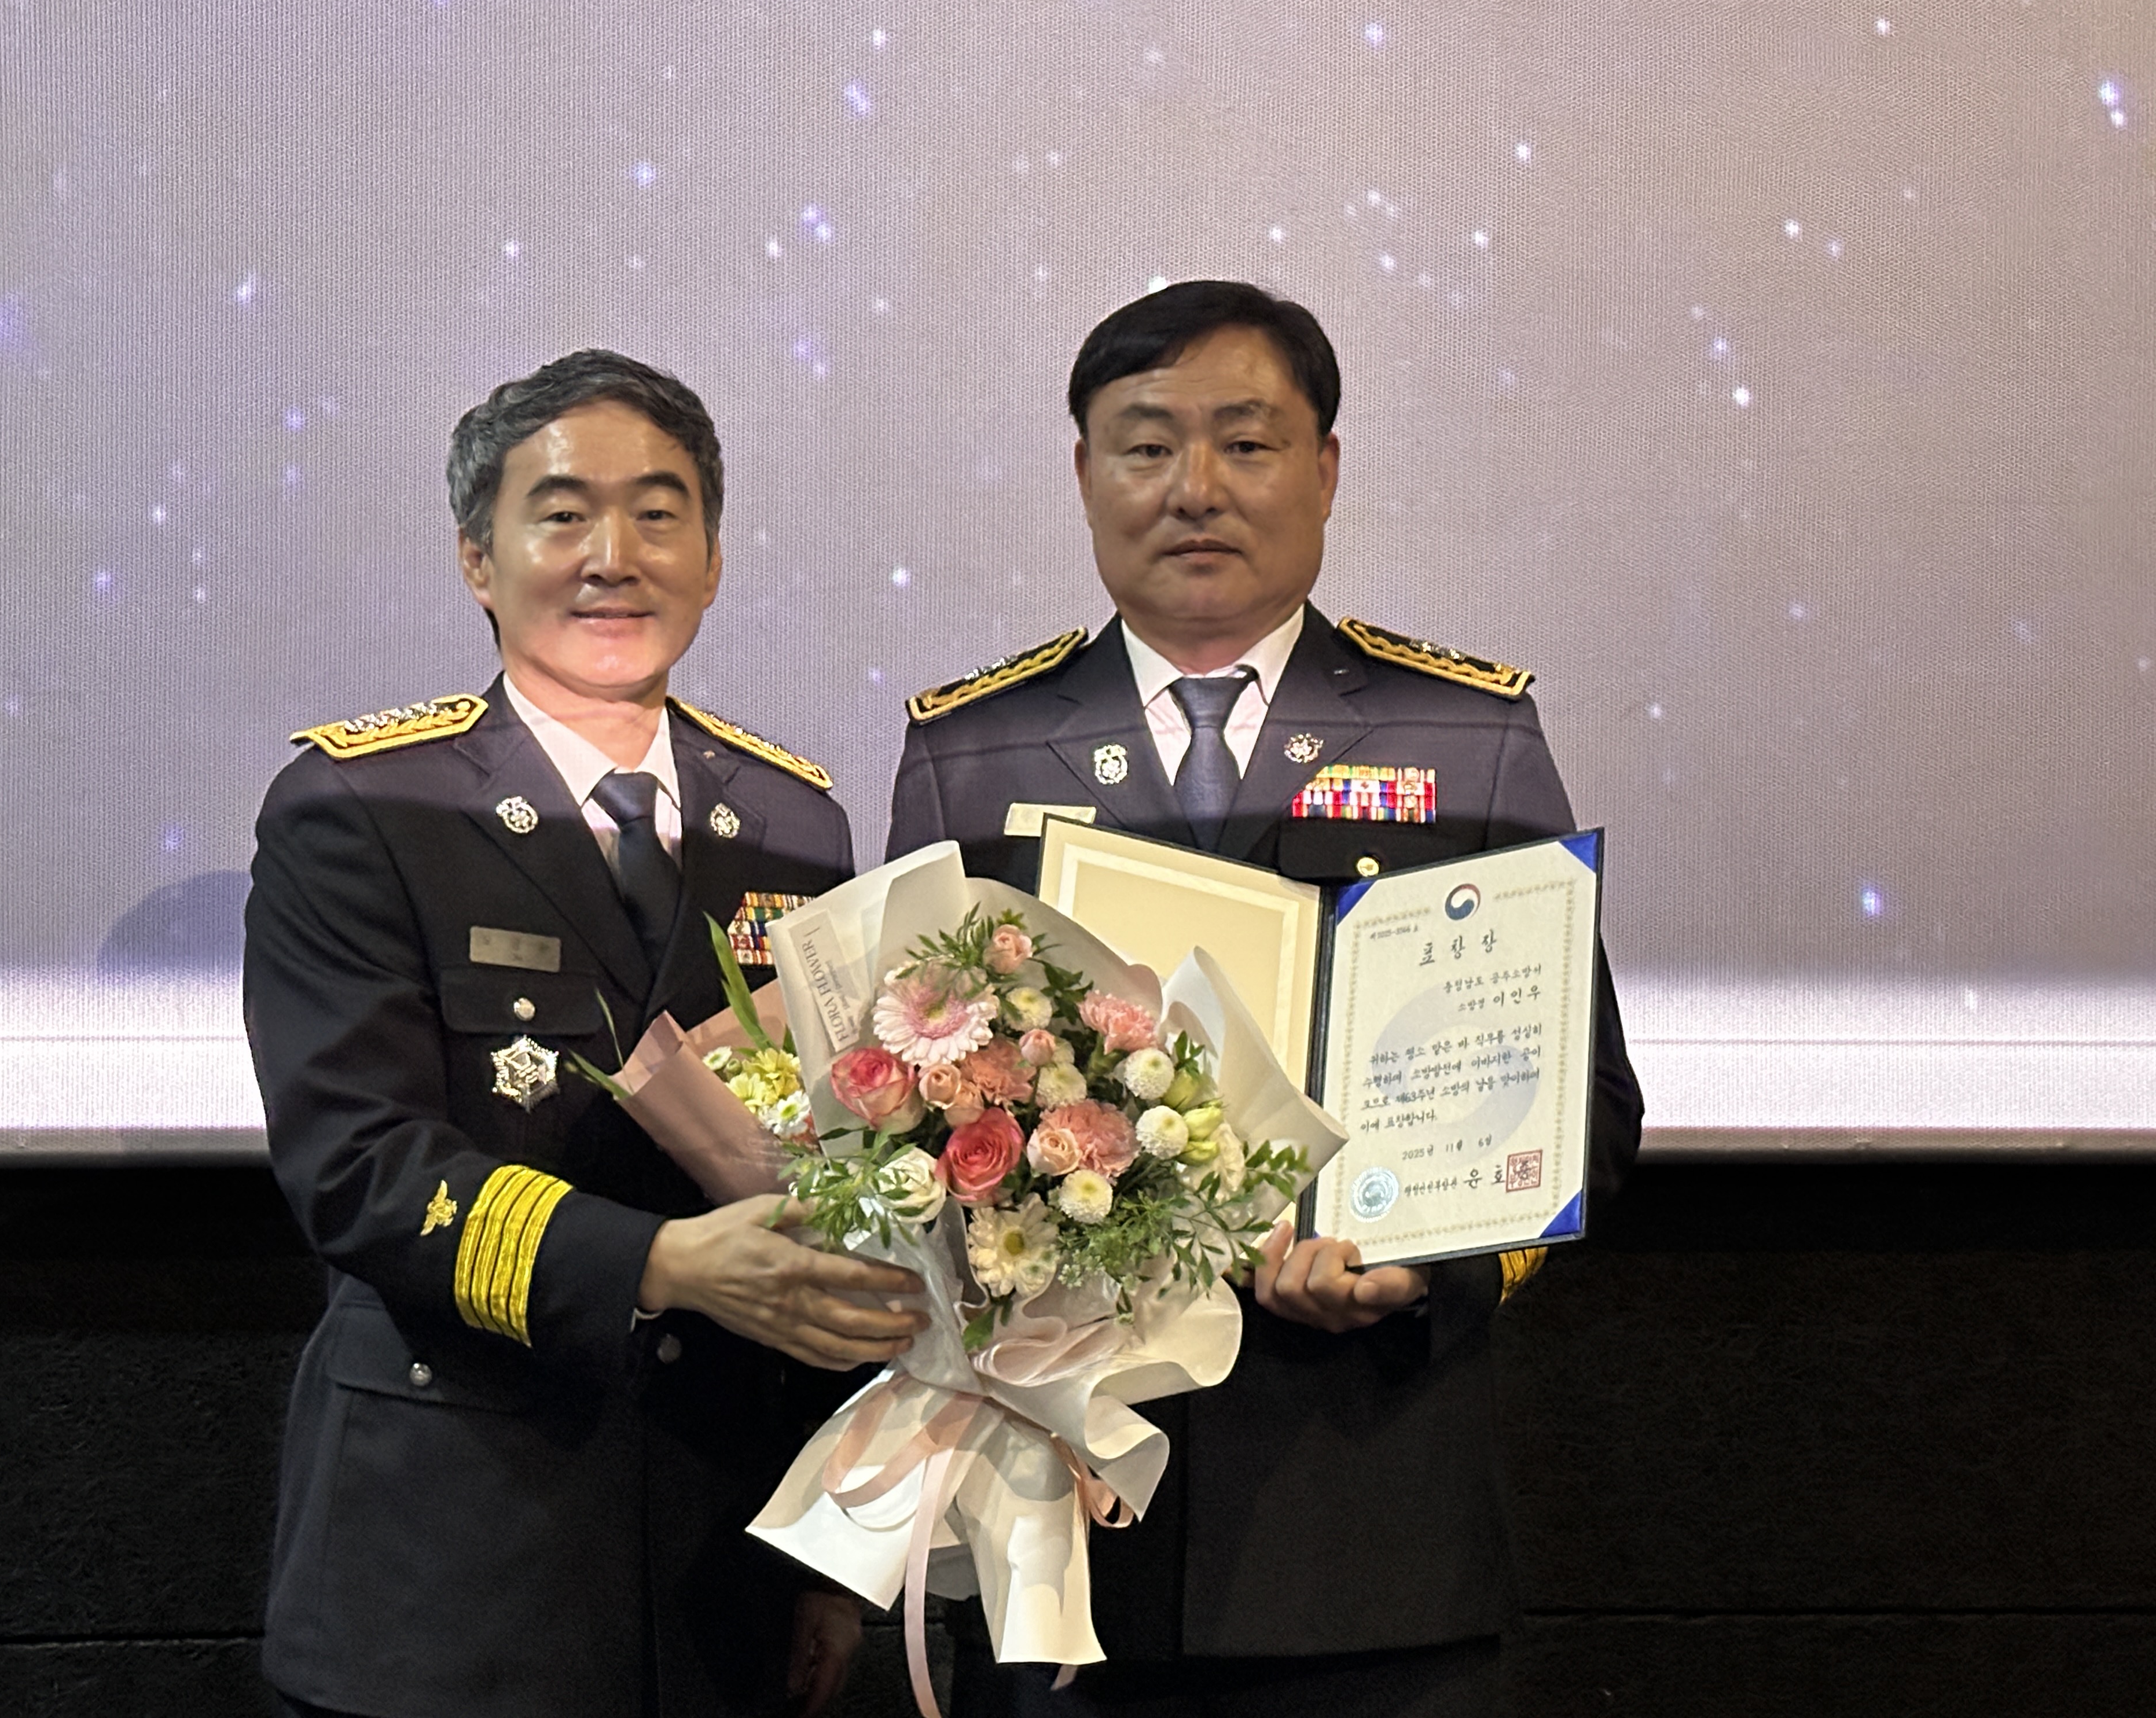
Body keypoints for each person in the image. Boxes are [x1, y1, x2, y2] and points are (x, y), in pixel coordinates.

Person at [886, 282, 1646, 1718]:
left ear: (1327, 467)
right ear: (1084, 473)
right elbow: (908, 1108)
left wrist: (1423, 1266)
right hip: (1063, 1532)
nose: (1196, 489)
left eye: (1245, 443)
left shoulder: (1463, 733)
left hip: (1362, 1528)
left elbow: (1582, 1107)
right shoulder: (972, 749)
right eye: (1146, 446)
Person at [245, 350, 927, 1718]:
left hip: (724, 1560)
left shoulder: (793, 824)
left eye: (659, 514)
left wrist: (836, 1554)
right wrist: (661, 1265)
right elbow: (357, 1169)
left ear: (712, 561)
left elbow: (838, 1180)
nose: (613, 556)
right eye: (562, 515)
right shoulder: (364, 806)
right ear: (478, 560)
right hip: (458, 1553)